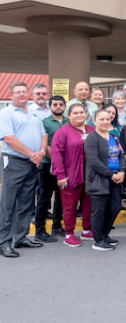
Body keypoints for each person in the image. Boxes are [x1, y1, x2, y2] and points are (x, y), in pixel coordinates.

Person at [0, 82, 48, 257]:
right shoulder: (6, 113)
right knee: (8, 203)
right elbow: (8, 139)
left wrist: (41, 152)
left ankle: (20, 238)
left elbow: (44, 134)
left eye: (24, 92)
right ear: (11, 95)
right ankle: (3, 241)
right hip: (14, 161)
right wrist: (31, 154)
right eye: (17, 92)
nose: (21, 94)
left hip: (33, 163)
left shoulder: (34, 112)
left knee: (26, 203)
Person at [50, 104, 96, 248]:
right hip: (70, 176)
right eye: (75, 113)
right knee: (70, 207)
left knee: (89, 205)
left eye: (81, 112)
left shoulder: (92, 130)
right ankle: (69, 234)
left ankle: (87, 230)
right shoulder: (62, 133)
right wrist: (60, 175)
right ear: (68, 116)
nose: (79, 115)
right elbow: (56, 155)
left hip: (90, 176)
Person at [84, 109, 126, 251]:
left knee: (114, 207)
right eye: (101, 119)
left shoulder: (114, 137)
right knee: (99, 211)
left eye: (107, 119)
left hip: (115, 179)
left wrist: (121, 171)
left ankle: (105, 235)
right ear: (94, 121)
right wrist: (110, 174)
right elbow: (93, 161)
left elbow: (121, 155)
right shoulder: (92, 138)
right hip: (99, 179)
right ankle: (98, 240)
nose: (105, 122)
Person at [34, 96, 67, 243]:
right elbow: (44, 143)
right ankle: (40, 230)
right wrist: (55, 160)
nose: (58, 107)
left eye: (61, 104)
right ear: (50, 106)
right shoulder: (44, 122)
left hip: (65, 166)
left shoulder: (69, 121)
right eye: (55, 104)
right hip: (48, 164)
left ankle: (57, 225)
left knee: (61, 197)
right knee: (44, 197)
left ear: (65, 106)